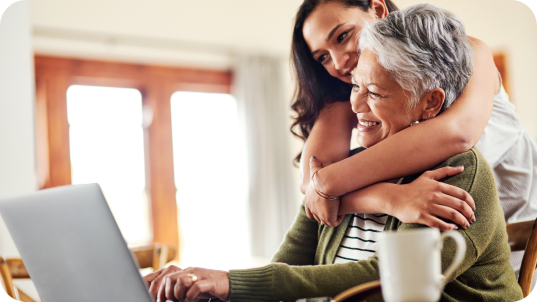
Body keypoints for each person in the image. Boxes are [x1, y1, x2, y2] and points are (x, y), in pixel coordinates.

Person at [144, 5, 523, 301]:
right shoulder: (353, 161)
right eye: (354, 86)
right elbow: (288, 262)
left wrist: (232, 282)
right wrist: (208, 285)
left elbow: (386, 280)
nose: (355, 104)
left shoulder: (457, 172)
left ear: (429, 104)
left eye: (374, 92)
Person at [295, 0, 537, 276]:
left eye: (342, 36)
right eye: (323, 57)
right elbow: (310, 185)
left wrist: (328, 183)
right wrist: (389, 198)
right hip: (444, 249)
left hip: (517, 246)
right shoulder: (351, 93)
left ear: (377, 10)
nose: (338, 62)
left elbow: (457, 134)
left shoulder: (466, 53)